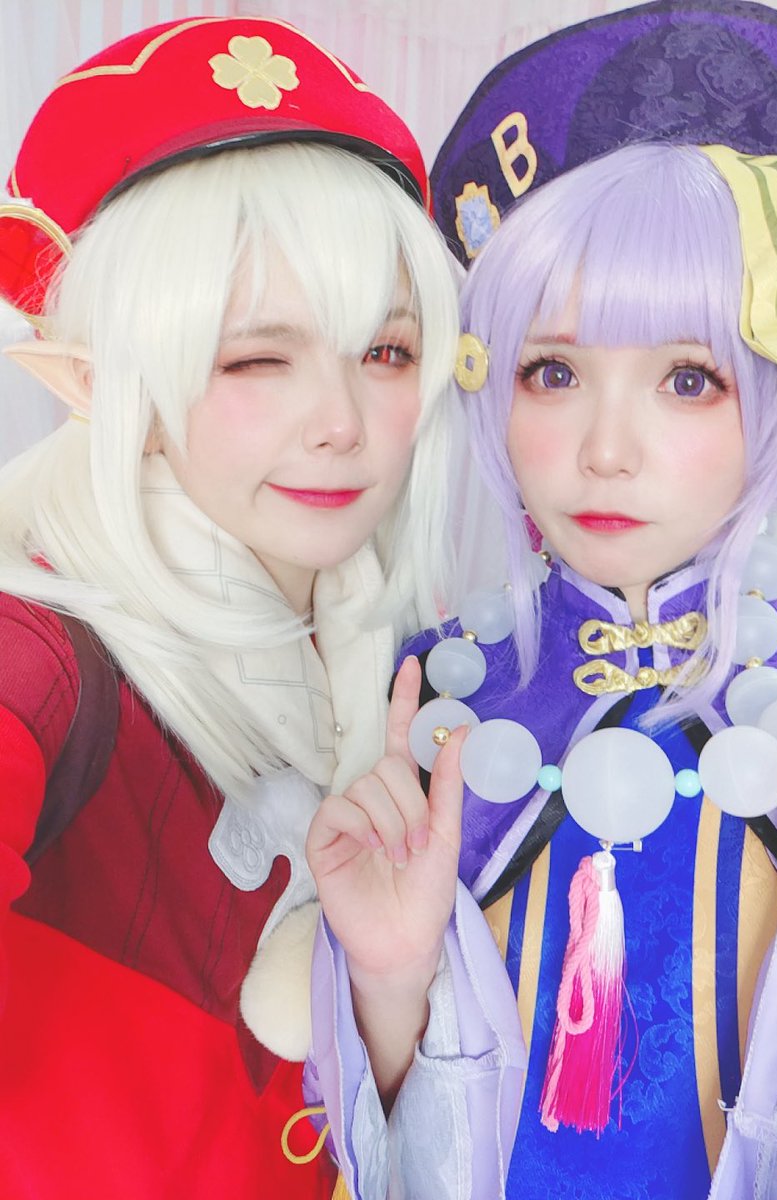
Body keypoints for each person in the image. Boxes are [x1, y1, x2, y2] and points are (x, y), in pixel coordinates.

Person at [303, 4, 777, 1198]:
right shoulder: (435, 688)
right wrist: (387, 986)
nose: (603, 451)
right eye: (553, 371)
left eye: (688, 379)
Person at [0, 15, 459, 1199]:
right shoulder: (39, 650)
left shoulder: (402, 656)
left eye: (386, 352)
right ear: (101, 383)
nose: (343, 424)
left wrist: (389, 986)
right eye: (258, 360)